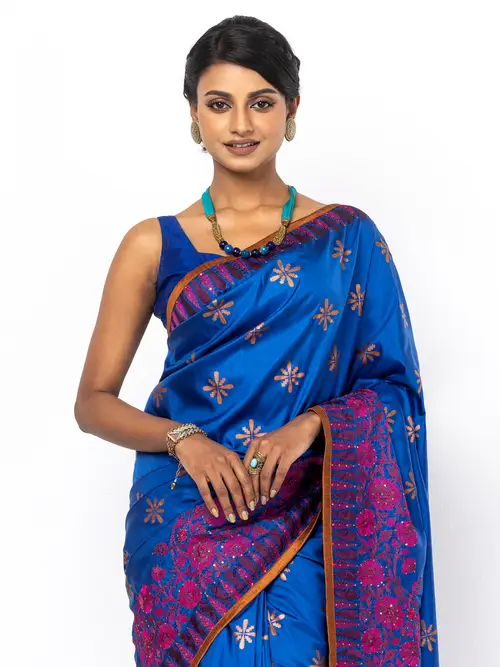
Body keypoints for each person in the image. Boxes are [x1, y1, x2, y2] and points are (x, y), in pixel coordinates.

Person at [74, 14, 440, 667]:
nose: (240, 124)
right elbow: (93, 403)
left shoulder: (348, 237)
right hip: (185, 519)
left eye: (261, 102)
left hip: (309, 516)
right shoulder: (152, 244)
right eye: (219, 104)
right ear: (194, 115)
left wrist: (312, 425)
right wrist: (185, 440)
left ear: (291, 110)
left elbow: (393, 389)